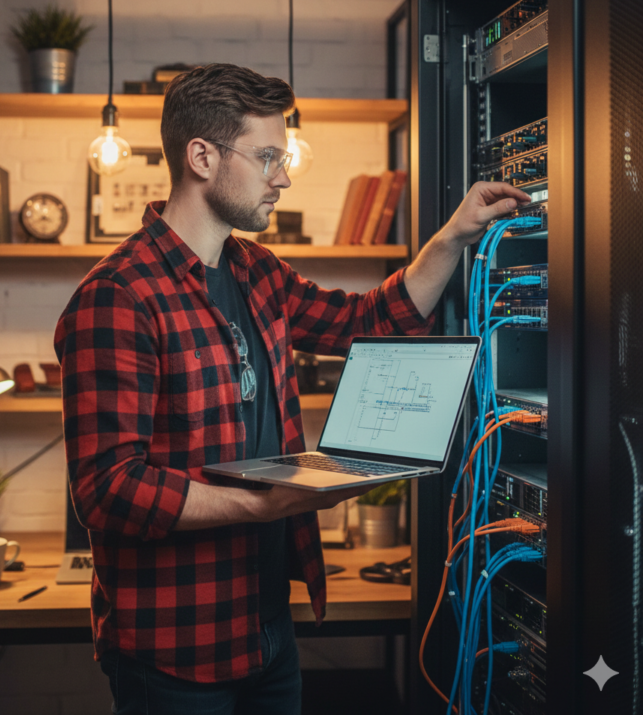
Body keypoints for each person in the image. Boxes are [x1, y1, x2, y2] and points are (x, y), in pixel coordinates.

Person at [54, 63, 530, 714]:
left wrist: (451, 237)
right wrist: (256, 506)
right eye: (267, 156)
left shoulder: (256, 270)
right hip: (173, 651)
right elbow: (107, 491)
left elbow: (367, 321)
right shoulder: (117, 297)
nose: (283, 175)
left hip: (267, 629)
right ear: (201, 156)